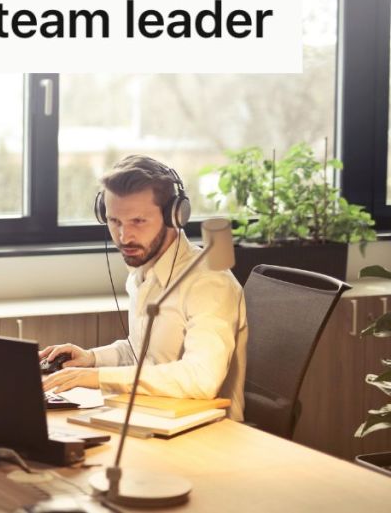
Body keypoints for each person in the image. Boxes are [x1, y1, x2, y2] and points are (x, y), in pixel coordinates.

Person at [41, 155, 247, 420]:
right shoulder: (143, 272)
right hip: (151, 416)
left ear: (175, 215)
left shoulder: (209, 283)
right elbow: (143, 354)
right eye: (115, 222)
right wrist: (91, 359)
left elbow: (201, 379)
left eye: (138, 221)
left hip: (207, 433)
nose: (124, 237)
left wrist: (98, 377)